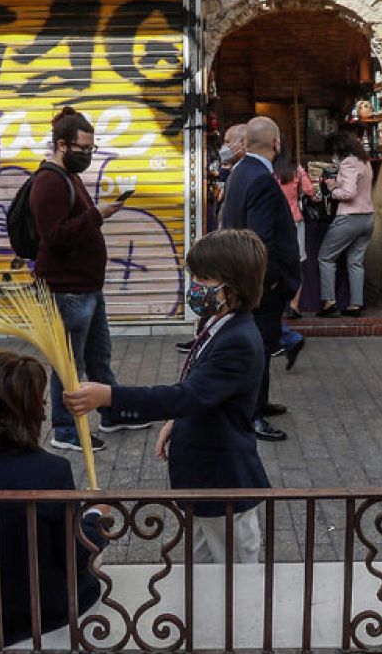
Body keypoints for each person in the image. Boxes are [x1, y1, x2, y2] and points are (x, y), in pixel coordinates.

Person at [65, 230, 271, 561]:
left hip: (224, 484)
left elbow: (187, 395)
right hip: (204, 486)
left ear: (232, 287)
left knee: (235, 580)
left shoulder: (239, 341)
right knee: (201, 572)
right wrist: (177, 423)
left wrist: (110, 397)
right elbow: (202, 393)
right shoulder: (217, 322)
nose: (195, 288)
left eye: (203, 279)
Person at [0, 349, 112, 647]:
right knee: (94, 530)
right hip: (42, 610)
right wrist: (96, 518)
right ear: (35, 409)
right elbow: (74, 553)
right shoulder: (53, 471)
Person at [29, 107, 145, 452]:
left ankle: (113, 412)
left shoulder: (68, 177)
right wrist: (97, 214)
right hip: (67, 292)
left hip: (87, 288)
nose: (88, 155)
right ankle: (64, 429)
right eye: (83, 149)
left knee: (98, 357)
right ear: (62, 145)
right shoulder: (49, 181)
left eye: (92, 149)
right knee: (69, 365)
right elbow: (53, 236)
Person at [218, 116, 301, 442]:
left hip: (246, 277)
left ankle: (259, 403)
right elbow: (261, 238)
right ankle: (252, 415)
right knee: (261, 349)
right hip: (261, 284)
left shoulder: (240, 172)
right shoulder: (262, 180)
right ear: (276, 145)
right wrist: (273, 281)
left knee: (260, 346)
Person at [180, 123, 248, 356]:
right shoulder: (235, 171)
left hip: (231, 249)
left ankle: (288, 338)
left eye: (228, 142)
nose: (224, 147)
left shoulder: (249, 175)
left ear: (244, 143)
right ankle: (202, 336)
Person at [315, 132, 375, 318]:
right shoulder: (365, 162)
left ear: (338, 148)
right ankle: (356, 304)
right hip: (368, 217)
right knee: (356, 262)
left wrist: (331, 190)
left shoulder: (347, 162)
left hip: (350, 217)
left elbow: (348, 193)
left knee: (325, 257)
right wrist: (337, 182)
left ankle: (329, 302)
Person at [272, 137, 310, 369]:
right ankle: (295, 304)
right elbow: (310, 190)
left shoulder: (269, 171)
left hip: (277, 221)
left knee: (276, 263)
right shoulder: (295, 168)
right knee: (297, 263)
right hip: (296, 220)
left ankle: (280, 307)